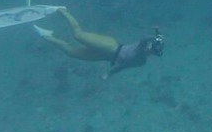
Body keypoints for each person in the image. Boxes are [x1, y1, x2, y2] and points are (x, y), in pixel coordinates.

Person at [34, 8, 164, 79]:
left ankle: (46, 35)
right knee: (78, 35)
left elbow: (122, 66)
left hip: (105, 57)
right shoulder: (142, 48)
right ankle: (61, 10)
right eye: (150, 47)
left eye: (152, 50)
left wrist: (109, 74)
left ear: (152, 54)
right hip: (111, 46)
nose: (149, 49)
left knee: (71, 53)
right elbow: (143, 40)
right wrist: (155, 34)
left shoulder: (141, 61)